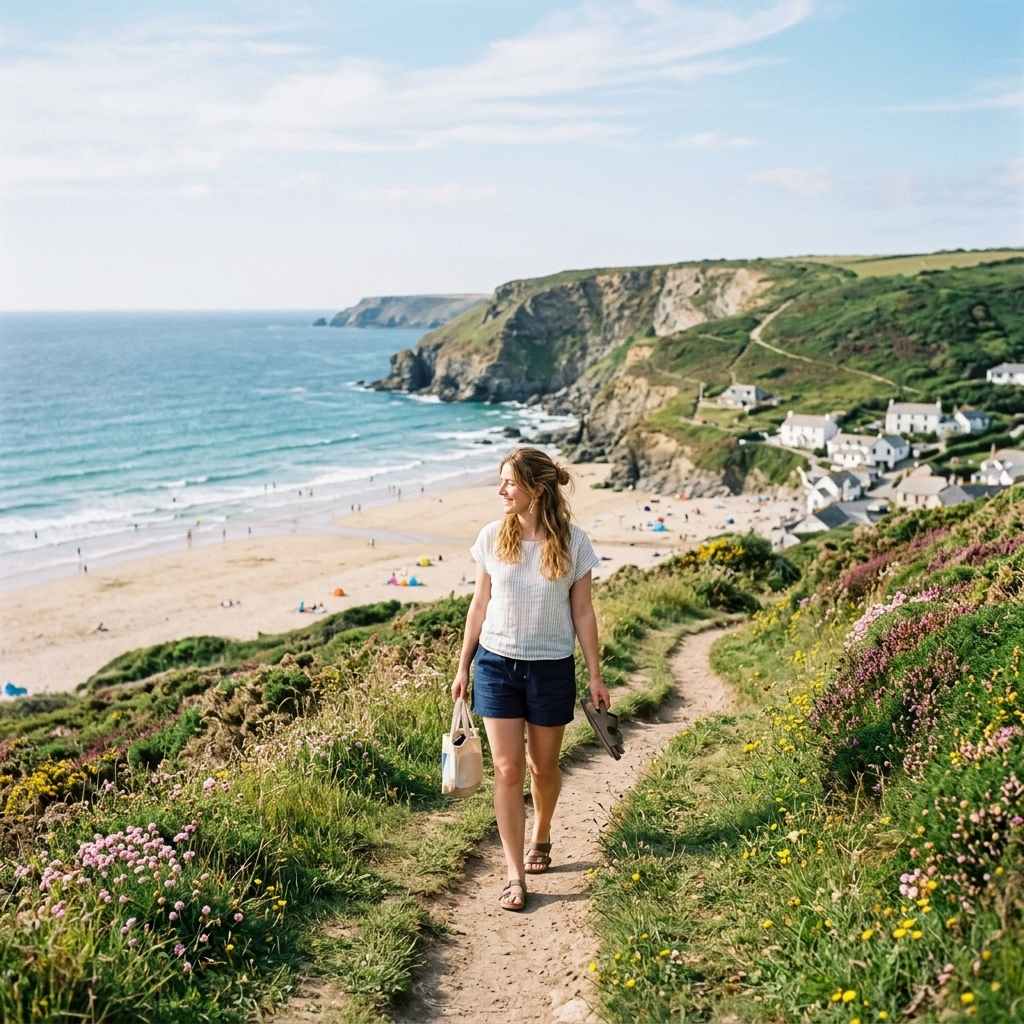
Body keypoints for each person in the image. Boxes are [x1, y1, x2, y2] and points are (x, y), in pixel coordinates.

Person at [451, 447, 608, 912]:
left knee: (543, 768)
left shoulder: (575, 543)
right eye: (501, 482)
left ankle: (542, 834)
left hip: (552, 668)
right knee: (507, 770)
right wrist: (463, 666)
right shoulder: (491, 538)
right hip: (496, 666)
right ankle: (514, 875)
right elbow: (478, 606)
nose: (501, 491)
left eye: (509, 484)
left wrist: (595, 675)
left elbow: (582, 611)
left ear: (536, 491)